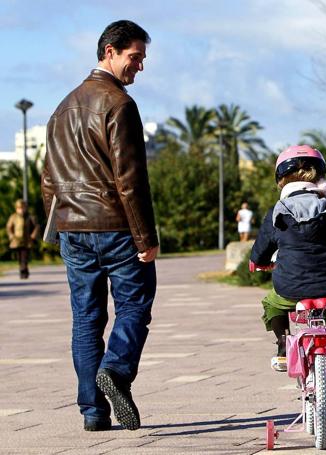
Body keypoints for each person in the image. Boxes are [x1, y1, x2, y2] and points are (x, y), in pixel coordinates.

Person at [41, 20, 158, 432]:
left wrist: (57, 228)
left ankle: (93, 412)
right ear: (110, 51)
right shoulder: (119, 105)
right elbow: (129, 180)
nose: (139, 67)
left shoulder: (62, 107)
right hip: (117, 228)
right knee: (133, 307)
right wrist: (146, 238)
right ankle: (116, 370)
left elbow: (48, 179)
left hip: (73, 229)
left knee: (86, 319)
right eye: (134, 57)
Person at [249, 145, 326, 409]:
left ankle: (283, 345)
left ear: (280, 180)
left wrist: (257, 263)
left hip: (289, 288)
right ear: (320, 175)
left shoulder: (277, 212)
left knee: (271, 304)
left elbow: (261, 248)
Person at [6, 199, 39, 279]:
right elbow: (8, 227)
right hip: (16, 241)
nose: (21, 210)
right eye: (19, 208)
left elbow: (36, 227)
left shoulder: (30, 217)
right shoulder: (13, 217)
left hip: (27, 241)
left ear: (25, 208)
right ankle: (23, 270)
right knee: (19, 257)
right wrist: (11, 235)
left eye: (22, 208)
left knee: (24, 256)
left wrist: (33, 235)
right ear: (16, 209)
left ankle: (23, 271)